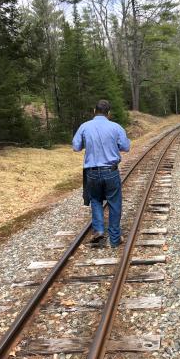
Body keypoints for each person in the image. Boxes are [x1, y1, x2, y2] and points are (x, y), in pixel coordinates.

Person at [72, 100, 130, 248]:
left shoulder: (85, 126)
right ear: (108, 113)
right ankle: (115, 239)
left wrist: (90, 142)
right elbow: (126, 147)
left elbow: (76, 147)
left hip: (91, 172)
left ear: (94, 111)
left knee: (96, 200)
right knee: (114, 203)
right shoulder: (116, 127)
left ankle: (98, 230)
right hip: (111, 171)